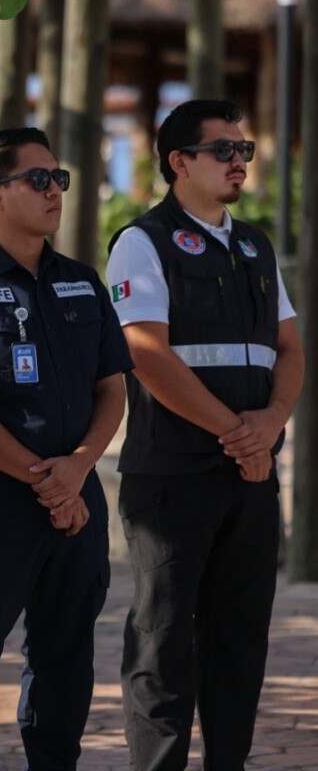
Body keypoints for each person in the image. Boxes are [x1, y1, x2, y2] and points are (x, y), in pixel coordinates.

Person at [0, 128, 134, 770]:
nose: (53, 191)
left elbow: (112, 388)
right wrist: (47, 481)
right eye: (37, 179)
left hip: (78, 497)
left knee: (65, 670)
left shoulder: (82, 283)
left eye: (58, 179)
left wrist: (80, 468)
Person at [106, 99, 303, 771]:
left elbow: (290, 346)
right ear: (179, 162)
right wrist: (237, 433)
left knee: (240, 640)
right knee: (162, 640)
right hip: (173, 475)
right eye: (224, 150)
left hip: (250, 477)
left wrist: (271, 425)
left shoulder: (255, 243)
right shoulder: (142, 241)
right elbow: (146, 353)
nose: (239, 162)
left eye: (243, 150)